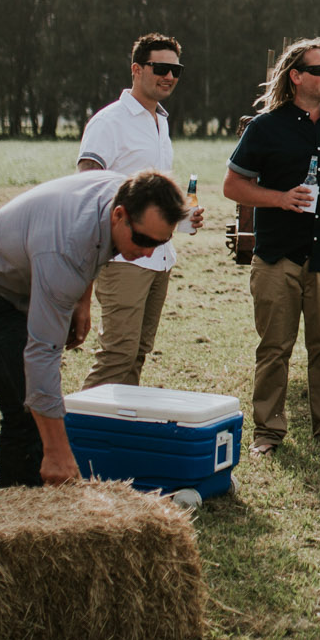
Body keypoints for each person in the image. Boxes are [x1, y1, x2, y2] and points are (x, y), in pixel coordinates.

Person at [0, 170, 185, 487]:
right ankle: (20, 518)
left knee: (36, 410)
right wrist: (58, 451)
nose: (148, 253)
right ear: (120, 215)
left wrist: (82, 301)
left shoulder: (124, 193)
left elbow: (94, 245)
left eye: (162, 242)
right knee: (24, 410)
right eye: (143, 240)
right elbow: (42, 352)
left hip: (30, 270)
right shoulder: (66, 249)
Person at [223, 37, 320, 454]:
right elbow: (234, 185)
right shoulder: (266, 127)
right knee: (274, 349)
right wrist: (279, 199)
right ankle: (268, 432)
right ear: (296, 76)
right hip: (277, 257)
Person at [76, 33, 203, 389]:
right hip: (122, 259)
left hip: (160, 258)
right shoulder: (109, 122)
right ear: (136, 69)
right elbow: (88, 189)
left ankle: (117, 435)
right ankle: (78, 435)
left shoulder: (160, 121)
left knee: (138, 353)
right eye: (161, 68)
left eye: (176, 70)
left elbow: (151, 196)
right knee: (117, 354)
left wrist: (181, 217)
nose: (170, 76)